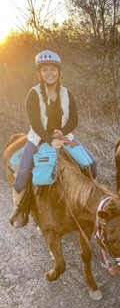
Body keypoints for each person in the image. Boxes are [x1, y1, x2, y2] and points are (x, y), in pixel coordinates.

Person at [11, 50, 97, 226]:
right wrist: (51, 140)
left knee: (92, 163)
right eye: (45, 70)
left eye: (53, 69)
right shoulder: (33, 94)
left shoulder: (67, 94)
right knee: (22, 176)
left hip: (64, 137)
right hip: (38, 139)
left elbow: (74, 120)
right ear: (39, 73)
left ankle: (87, 203)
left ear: (59, 71)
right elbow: (35, 123)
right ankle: (19, 209)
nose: (49, 73)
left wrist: (62, 133)